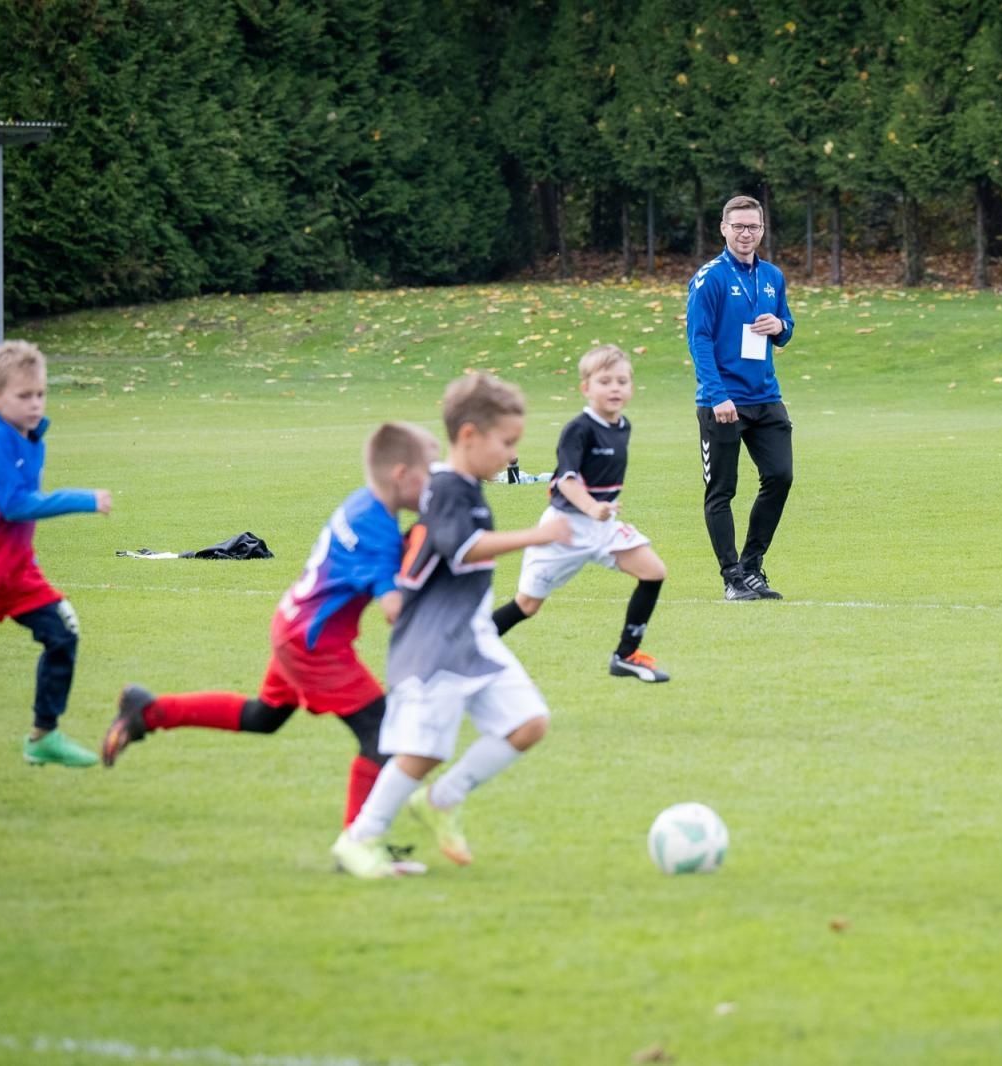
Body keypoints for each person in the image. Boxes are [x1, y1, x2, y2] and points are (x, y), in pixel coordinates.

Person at [102, 423, 438, 864]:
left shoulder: (364, 505)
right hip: (314, 644)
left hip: (292, 625)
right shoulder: (375, 528)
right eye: (430, 473)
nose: (435, 483)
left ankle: (148, 711)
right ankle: (358, 845)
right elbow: (394, 609)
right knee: (381, 732)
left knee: (265, 716)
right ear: (401, 475)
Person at [332, 373, 572, 879]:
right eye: (506, 443)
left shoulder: (465, 487)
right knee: (420, 751)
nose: (511, 456)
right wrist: (538, 534)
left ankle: (443, 799)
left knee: (529, 722)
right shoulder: (444, 489)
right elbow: (460, 549)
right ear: (469, 436)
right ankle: (359, 839)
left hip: (471, 634)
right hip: (434, 641)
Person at [492, 344, 670, 683]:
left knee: (653, 571)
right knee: (527, 605)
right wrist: (592, 507)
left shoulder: (623, 426)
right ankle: (463, 649)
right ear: (586, 388)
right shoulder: (579, 429)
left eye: (622, 381)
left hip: (602, 526)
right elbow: (567, 480)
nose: (615, 388)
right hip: (564, 528)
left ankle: (626, 654)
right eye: (605, 381)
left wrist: (600, 512)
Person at [0, 340, 112, 767]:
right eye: (24, 396)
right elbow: (16, 504)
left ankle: (43, 735)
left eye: (40, 394)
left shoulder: (31, 438)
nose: (35, 404)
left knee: (63, 634)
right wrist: (84, 499)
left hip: (16, 577)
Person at [686, 194, 796, 602]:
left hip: (766, 396)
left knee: (780, 477)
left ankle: (751, 566)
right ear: (724, 229)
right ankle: (731, 577)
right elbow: (698, 339)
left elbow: (787, 328)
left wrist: (779, 324)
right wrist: (717, 396)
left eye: (753, 227)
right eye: (739, 226)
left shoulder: (772, 275)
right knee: (722, 490)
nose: (746, 233)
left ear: (762, 230)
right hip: (723, 402)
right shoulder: (709, 278)